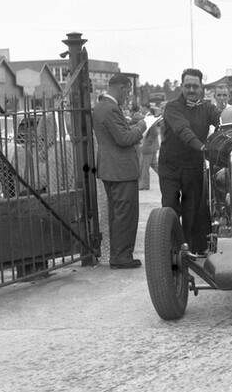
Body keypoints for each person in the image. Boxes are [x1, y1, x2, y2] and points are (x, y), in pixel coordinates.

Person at [92, 74, 160, 269]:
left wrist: (131, 124)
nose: (128, 96)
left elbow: (115, 133)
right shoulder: (111, 109)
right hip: (121, 171)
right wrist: (141, 126)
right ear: (121, 88)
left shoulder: (102, 107)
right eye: (128, 91)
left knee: (117, 214)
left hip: (110, 169)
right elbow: (124, 139)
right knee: (125, 216)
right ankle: (122, 257)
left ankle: (118, 254)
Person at [158, 69, 222, 254]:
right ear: (181, 87)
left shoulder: (208, 108)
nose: (191, 90)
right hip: (170, 167)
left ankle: (190, 252)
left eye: (195, 86)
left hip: (193, 167)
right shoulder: (172, 106)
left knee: (191, 211)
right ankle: (170, 250)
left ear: (201, 87)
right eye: (187, 86)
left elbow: (221, 123)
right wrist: (202, 147)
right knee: (170, 208)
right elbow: (182, 130)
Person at [137, 107, 162, 191]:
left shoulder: (149, 118)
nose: (140, 110)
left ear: (145, 108)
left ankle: (143, 184)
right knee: (154, 164)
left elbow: (154, 132)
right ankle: (168, 176)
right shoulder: (149, 117)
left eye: (142, 108)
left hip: (148, 147)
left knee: (144, 166)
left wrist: (146, 143)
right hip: (151, 146)